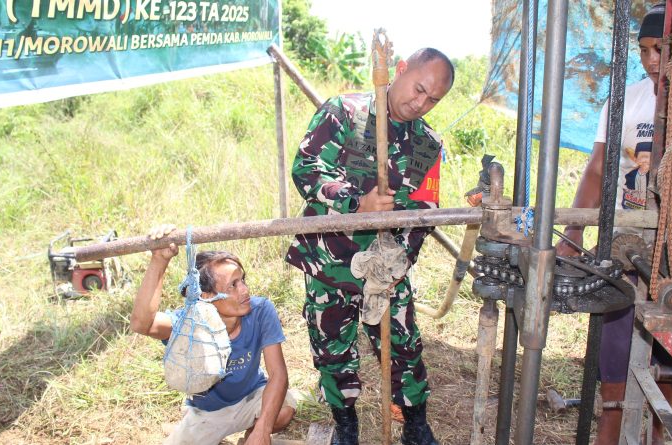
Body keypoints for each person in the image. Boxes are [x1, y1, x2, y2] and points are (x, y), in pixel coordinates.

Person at [555, 3, 672, 444]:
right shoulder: (626, 98)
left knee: (668, 377)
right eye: (645, 50)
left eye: (662, 49)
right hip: (629, 245)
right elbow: (599, 168)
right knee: (615, 373)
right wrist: (575, 231)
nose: (652, 60)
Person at [285, 48, 454, 445]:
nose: (420, 103)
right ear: (399, 70)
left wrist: (399, 260)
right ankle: (346, 426)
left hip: (384, 269)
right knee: (332, 349)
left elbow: (425, 210)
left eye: (433, 99)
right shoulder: (345, 112)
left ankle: (415, 424)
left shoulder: (427, 143)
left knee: (404, 347)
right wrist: (354, 203)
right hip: (330, 261)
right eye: (419, 89)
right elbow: (307, 167)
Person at [130, 224, 296, 445]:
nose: (245, 290)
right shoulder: (190, 324)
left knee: (283, 410)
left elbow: (278, 374)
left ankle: (250, 436)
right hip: (208, 414)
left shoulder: (260, 311)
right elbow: (142, 324)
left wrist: (263, 430)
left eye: (242, 280)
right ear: (206, 296)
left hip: (252, 397)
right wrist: (159, 261)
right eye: (233, 285)